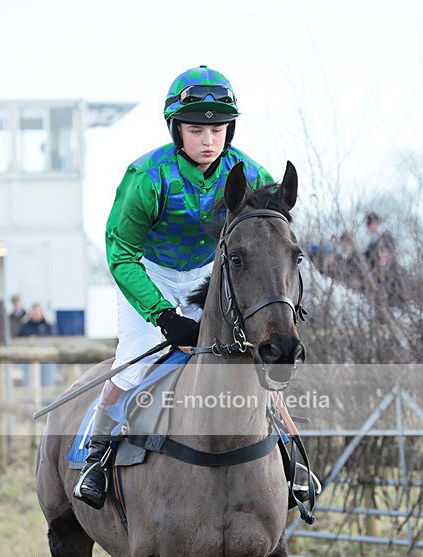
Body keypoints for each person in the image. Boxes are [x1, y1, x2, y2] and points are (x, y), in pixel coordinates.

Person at [74, 65, 274, 509]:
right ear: (175, 129)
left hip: (213, 274)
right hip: (151, 272)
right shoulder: (147, 176)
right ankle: (97, 449)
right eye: (196, 129)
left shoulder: (254, 176)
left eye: (218, 129)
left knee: (248, 359)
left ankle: (290, 457)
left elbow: (271, 240)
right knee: (133, 363)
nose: (208, 139)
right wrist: (163, 315)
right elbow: (120, 254)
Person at [17, 303, 57, 388]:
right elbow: (17, 339)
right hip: (28, 357)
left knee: (47, 383)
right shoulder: (24, 325)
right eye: (34, 311)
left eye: (38, 311)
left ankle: (49, 401)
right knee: (28, 383)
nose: (36, 313)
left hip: (46, 357)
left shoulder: (48, 325)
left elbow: (55, 339)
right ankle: (28, 400)